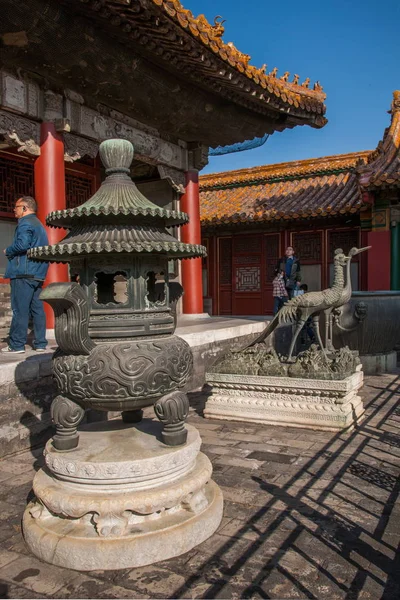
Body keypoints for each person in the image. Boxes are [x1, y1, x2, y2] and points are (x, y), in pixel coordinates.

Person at [2, 196, 49, 354]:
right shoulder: (39, 224)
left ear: (25, 208)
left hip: (24, 272)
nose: (14, 210)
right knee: (37, 309)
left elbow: (22, 244)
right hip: (37, 273)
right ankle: (41, 343)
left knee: (20, 309)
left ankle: (17, 345)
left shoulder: (26, 222)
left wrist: (8, 250)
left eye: (17, 206)